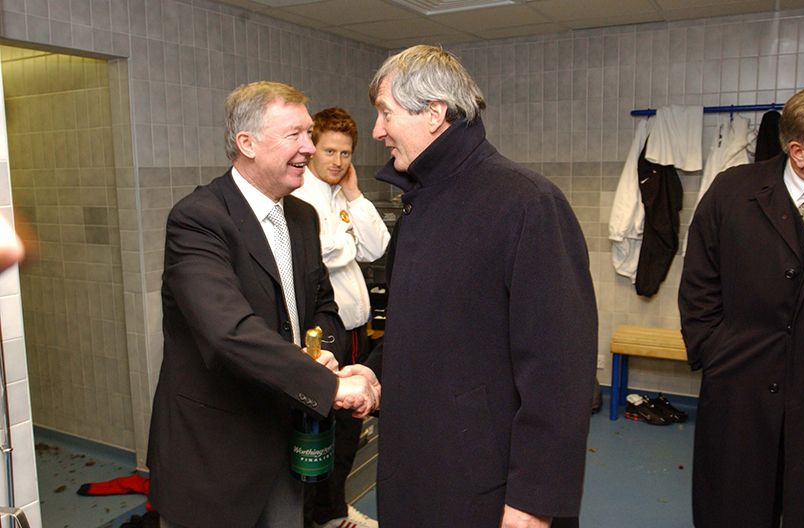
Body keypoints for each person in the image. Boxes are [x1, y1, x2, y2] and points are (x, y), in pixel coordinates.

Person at [361, 45, 597, 528]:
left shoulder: (527, 203)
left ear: (433, 113)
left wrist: (535, 500)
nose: (377, 131)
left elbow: (561, 369)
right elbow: (423, 327)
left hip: (482, 484)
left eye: (385, 113)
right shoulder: (417, 202)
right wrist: (371, 373)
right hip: (417, 468)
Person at [146, 81, 381, 528]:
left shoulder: (301, 216)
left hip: (284, 439)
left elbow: (322, 304)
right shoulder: (199, 219)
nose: (309, 149)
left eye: (309, 135)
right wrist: (328, 387)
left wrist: (323, 350)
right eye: (295, 135)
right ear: (247, 143)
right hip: (215, 456)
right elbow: (227, 331)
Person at [679, 86, 804, 528]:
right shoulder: (733, 191)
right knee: (734, 505)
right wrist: (714, 350)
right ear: (798, 151)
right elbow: (698, 279)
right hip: (740, 384)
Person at [292, 107, 389, 528]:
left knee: (351, 425)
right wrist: (342, 243)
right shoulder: (299, 197)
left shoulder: (339, 193)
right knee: (320, 428)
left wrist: (354, 194)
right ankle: (317, 514)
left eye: (346, 153)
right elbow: (320, 255)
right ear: (312, 148)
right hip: (324, 335)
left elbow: (376, 246)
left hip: (356, 331)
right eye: (330, 151)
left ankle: (332, 508)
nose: (338, 161)